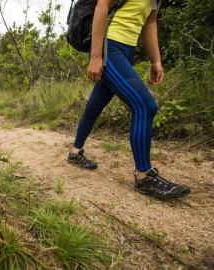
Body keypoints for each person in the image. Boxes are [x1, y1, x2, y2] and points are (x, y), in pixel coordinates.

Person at [67, 0, 191, 200]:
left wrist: (156, 60)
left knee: (95, 105)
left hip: (126, 52)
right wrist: (96, 56)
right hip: (110, 47)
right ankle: (143, 177)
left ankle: (75, 152)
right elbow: (101, 6)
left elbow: (150, 23)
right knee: (145, 106)